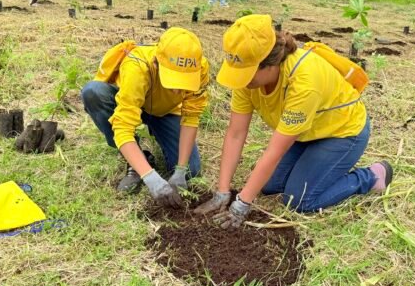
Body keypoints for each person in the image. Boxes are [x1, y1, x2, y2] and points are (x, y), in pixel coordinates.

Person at [193, 14, 392, 229]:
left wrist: (241, 204)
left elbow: (275, 151)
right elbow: (236, 133)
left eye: (247, 74)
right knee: (269, 186)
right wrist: (222, 191)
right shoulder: (245, 81)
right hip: (305, 133)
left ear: (270, 64)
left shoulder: (303, 80)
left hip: (341, 133)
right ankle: (316, 166)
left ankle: (370, 177)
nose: (242, 81)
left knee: (299, 200)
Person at [80, 28, 209, 207]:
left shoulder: (199, 67)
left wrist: (180, 169)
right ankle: (137, 160)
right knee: (94, 92)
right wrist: (150, 177)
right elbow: (123, 127)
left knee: (190, 172)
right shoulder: (138, 65)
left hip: (166, 111)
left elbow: (191, 117)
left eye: (184, 82)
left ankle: (164, 153)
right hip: (132, 103)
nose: (179, 90)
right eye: (173, 81)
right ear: (157, 63)